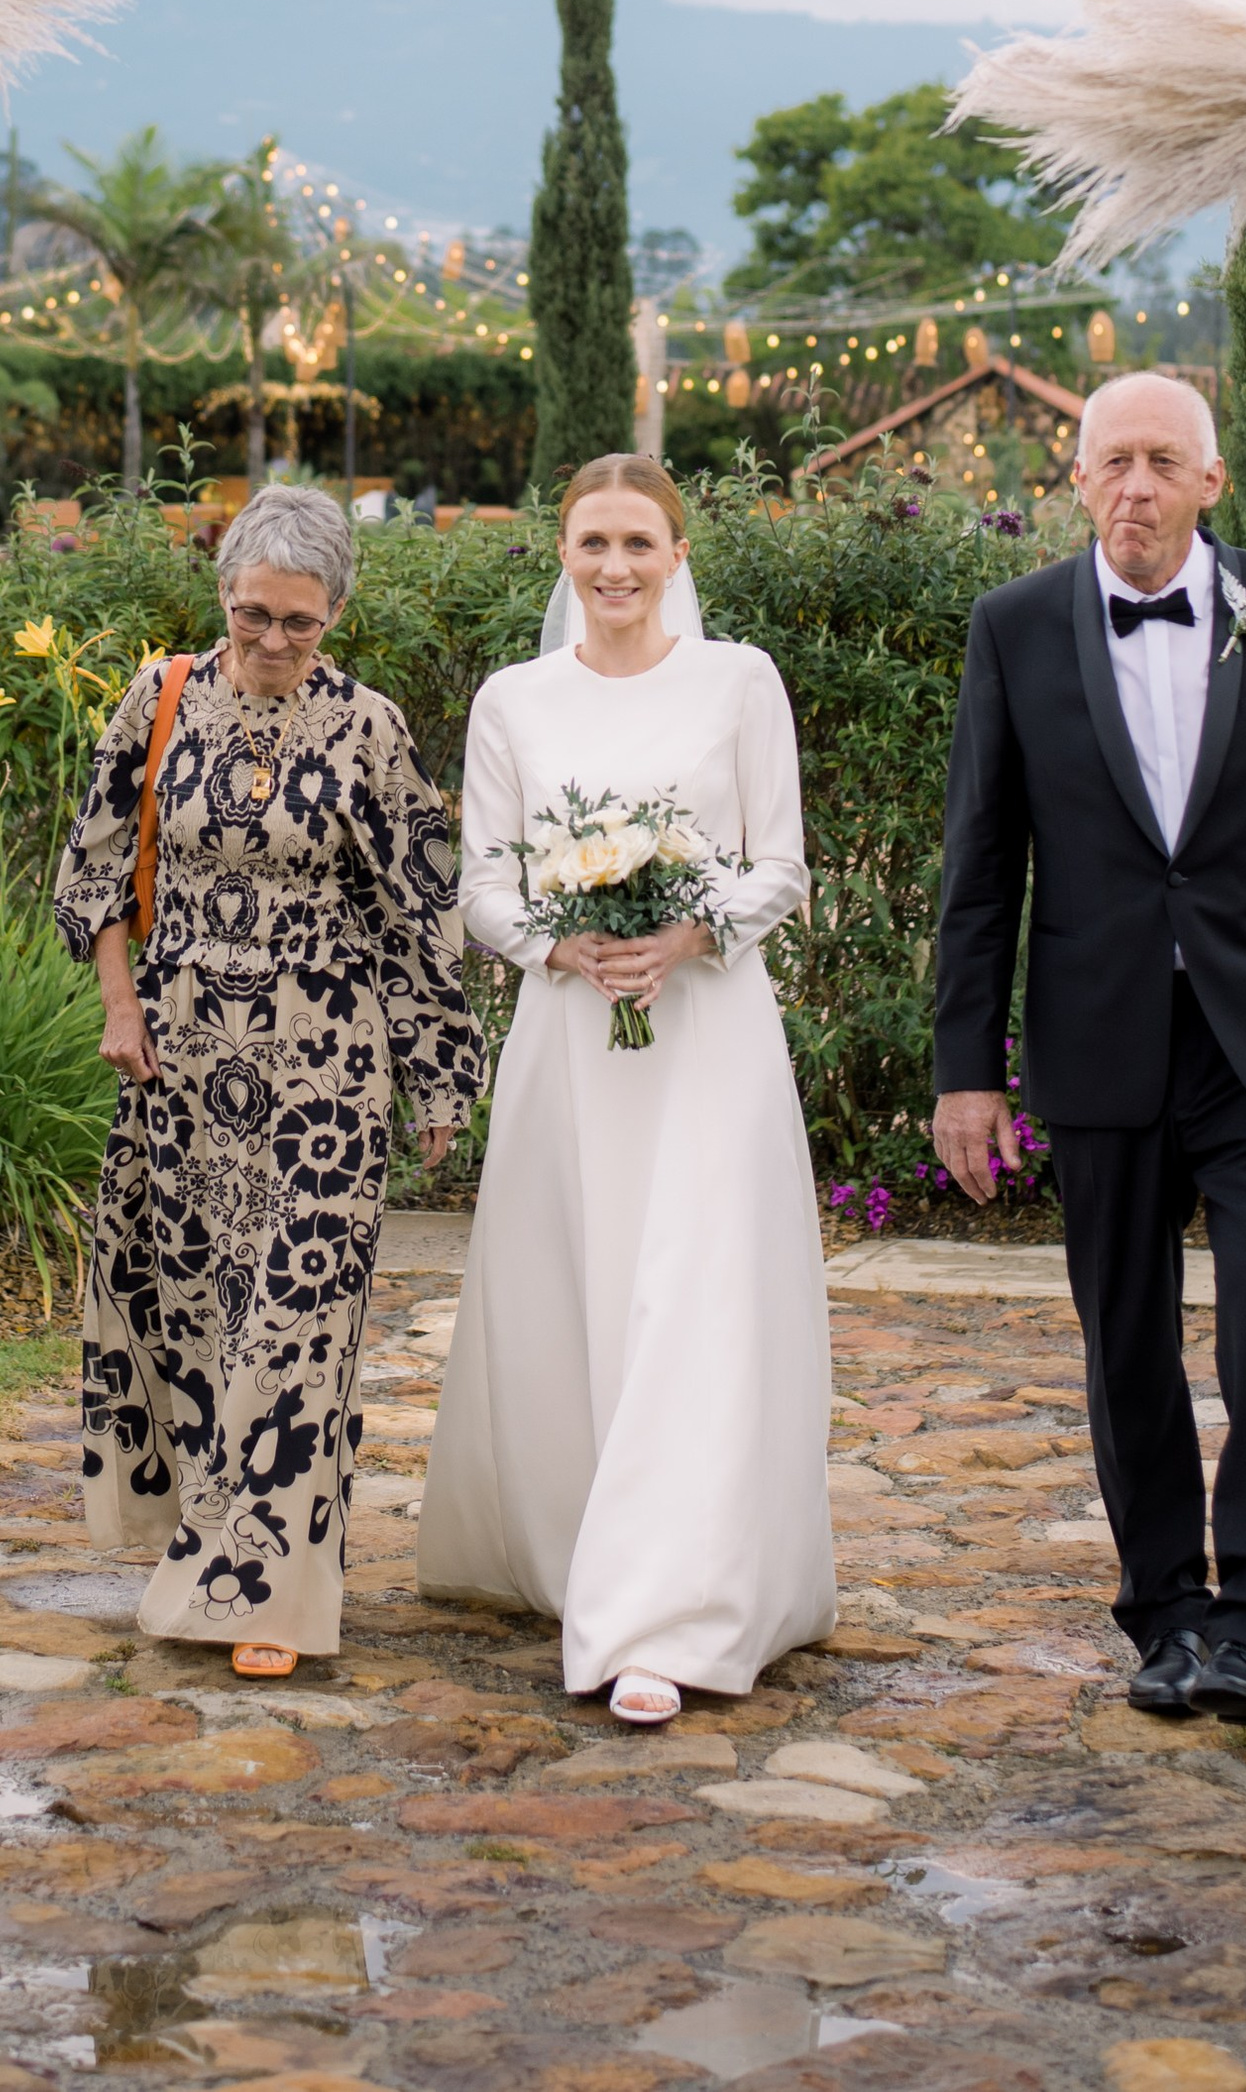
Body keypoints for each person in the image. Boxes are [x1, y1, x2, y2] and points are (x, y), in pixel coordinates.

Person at [932, 370, 1246, 1723]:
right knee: (1124, 1336)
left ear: (1212, 481)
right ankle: (1166, 1613)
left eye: (1161, 460)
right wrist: (967, 1071)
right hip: (1102, 1038)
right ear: (1075, 481)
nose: (1133, 485)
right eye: (1110, 462)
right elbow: (983, 869)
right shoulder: (1014, 627)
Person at [417, 455, 834, 1722]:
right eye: (592, 541)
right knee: (581, 1289)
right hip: (569, 1040)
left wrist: (692, 928)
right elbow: (481, 882)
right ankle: (574, 1544)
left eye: (638, 542)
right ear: (562, 552)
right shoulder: (513, 700)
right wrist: (562, 941)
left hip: (706, 1037)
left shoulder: (738, 680)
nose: (614, 566)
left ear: (677, 552)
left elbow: (783, 863)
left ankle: (671, 1611)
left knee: (695, 1302)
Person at [56, 483, 484, 1678]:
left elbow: (419, 911)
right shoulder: (160, 697)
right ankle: (206, 1540)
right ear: (221, 596)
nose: (274, 640)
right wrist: (120, 1006)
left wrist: (439, 1072)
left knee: (298, 1325)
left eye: (300, 620)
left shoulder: (370, 727)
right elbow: (92, 866)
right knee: (192, 1311)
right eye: (254, 614)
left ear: (336, 610)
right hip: (182, 1056)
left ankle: (269, 1594)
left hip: (325, 1060)